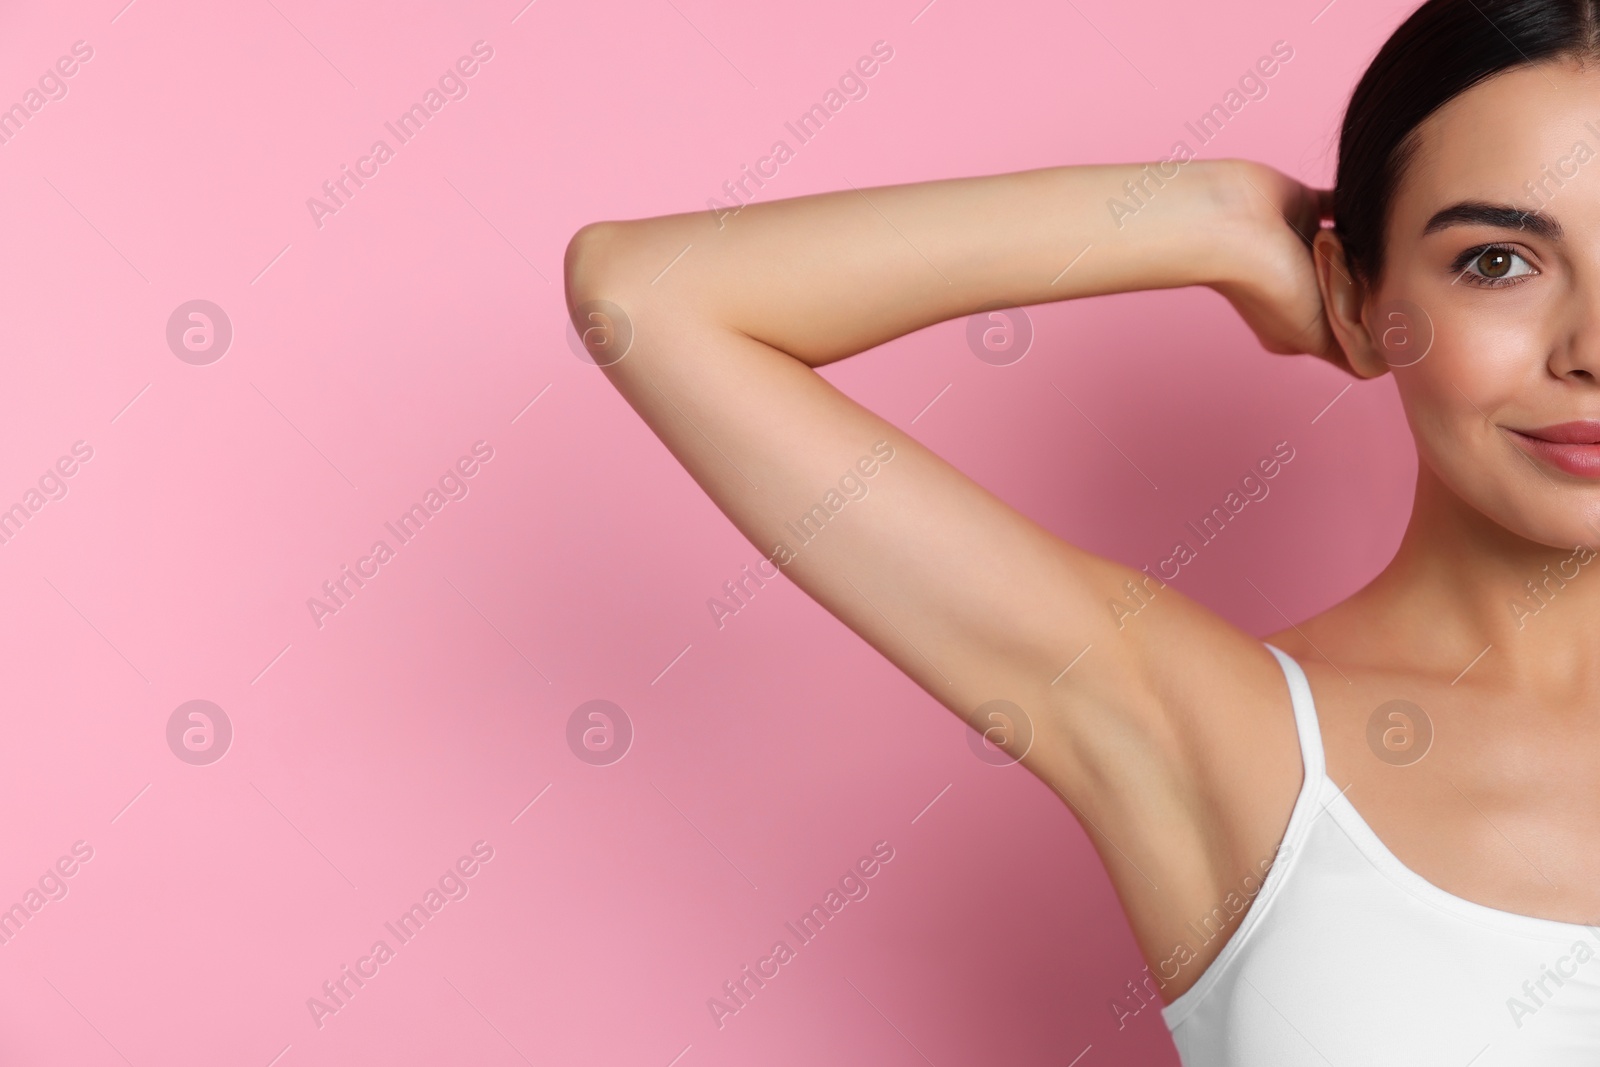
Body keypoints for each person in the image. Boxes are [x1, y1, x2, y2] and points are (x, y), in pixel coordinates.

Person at [562, 0, 1600, 1059]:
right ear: (1353, 298)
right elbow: (645, 294)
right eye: (1497, 261)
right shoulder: (1215, 731)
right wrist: (1208, 214)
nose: (1589, 349)